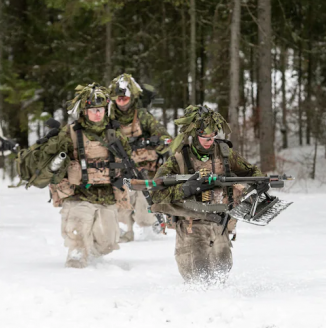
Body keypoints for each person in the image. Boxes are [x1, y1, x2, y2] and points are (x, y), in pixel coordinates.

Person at [150, 105, 263, 284]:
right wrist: (186, 189)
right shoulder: (179, 159)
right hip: (191, 225)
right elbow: (155, 193)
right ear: (195, 135)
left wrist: (257, 185)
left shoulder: (225, 153)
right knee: (196, 275)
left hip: (219, 222)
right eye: (205, 137)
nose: (209, 141)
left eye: (213, 137)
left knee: (222, 270)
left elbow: (251, 171)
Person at [47, 83, 132, 268]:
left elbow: (126, 159)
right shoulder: (70, 133)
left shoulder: (114, 133)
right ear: (84, 111)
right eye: (92, 110)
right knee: (77, 231)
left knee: (108, 243)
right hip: (79, 194)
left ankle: (92, 252)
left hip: (107, 194)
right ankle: (77, 255)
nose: (97, 114)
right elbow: (54, 162)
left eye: (100, 109)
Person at [108, 73, 173, 242]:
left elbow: (166, 140)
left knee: (145, 213)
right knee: (121, 204)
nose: (122, 101)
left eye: (125, 98)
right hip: (119, 171)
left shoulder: (143, 115)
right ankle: (124, 232)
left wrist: (154, 142)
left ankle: (151, 230)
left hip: (144, 170)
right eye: (119, 98)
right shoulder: (108, 118)